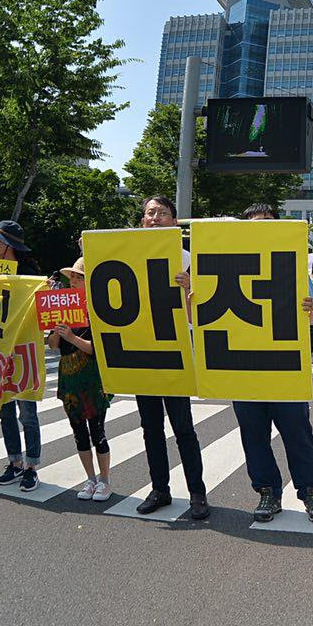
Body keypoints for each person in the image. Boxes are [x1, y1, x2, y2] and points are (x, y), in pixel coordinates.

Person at [236, 202, 313, 523]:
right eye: (256, 224)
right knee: (253, 434)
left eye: (270, 223)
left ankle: (311, 492)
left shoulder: (292, 268)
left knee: (297, 431)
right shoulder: (227, 266)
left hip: (286, 365)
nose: (264, 230)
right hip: (243, 367)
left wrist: (308, 309)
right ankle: (267, 493)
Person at [131, 196, 209, 519]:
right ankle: (159, 489)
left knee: (183, 427)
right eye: (150, 213)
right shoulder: (127, 255)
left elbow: (198, 315)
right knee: (150, 427)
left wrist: (190, 288)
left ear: (174, 222)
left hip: (175, 352)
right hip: (142, 352)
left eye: (163, 213)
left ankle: (197, 493)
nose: (156, 218)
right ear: (141, 221)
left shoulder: (188, 259)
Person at [48, 258, 114, 500]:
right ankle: (90, 479)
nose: (73, 281)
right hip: (68, 375)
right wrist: (56, 330)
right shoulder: (61, 308)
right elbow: (54, 345)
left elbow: (96, 349)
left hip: (92, 376)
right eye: (72, 277)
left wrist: (72, 337)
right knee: (78, 431)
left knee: (98, 430)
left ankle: (105, 480)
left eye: (79, 277)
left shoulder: (96, 310)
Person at [0, 219, 43, 492]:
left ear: (8, 246)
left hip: (22, 351)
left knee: (28, 413)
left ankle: (31, 465)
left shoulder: (30, 275)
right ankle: (14, 461)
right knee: (5, 411)